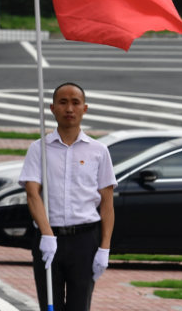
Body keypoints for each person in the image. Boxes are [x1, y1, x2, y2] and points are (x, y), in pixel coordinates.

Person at [20, 83, 116, 311]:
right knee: (50, 305)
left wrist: (104, 247)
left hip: (84, 241)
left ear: (85, 108)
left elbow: (107, 203)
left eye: (75, 102)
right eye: (63, 102)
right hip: (48, 239)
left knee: (79, 306)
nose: (69, 108)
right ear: (52, 108)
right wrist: (46, 234)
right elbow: (32, 194)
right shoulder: (39, 149)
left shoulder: (99, 151)